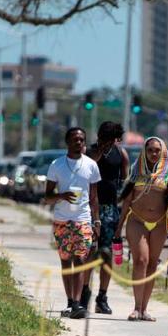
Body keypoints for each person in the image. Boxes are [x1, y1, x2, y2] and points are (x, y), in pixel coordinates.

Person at [116, 136, 168, 321]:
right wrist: (119, 226)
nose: (154, 154)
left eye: (157, 150)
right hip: (137, 220)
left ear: (163, 151)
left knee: (152, 263)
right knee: (141, 260)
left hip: (159, 222)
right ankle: (136, 307)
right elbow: (127, 201)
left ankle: (145, 309)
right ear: (144, 151)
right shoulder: (136, 170)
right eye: (150, 150)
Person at [44, 127, 101, 319]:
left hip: (83, 219)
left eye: (82, 139)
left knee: (81, 259)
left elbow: (94, 197)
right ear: (67, 142)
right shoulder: (56, 165)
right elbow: (47, 197)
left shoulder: (91, 165)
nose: (79, 142)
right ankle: (70, 301)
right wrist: (61, 195)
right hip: (62, 220)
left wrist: (97, 220)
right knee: (66, 261)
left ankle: (77, 303)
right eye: (75, 139)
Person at [81, 121, 129, 314]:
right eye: (104, 139)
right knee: (89, 252)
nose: (107, 143)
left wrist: (122, 200)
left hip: (110, 210)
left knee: (107, 254)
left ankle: (102, 296)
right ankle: (84, 293)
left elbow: (125, 180)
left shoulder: (121, 154)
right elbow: (86, 169)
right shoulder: (90, 152)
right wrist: (99, 152)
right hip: (90, 209)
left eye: (111, 140)